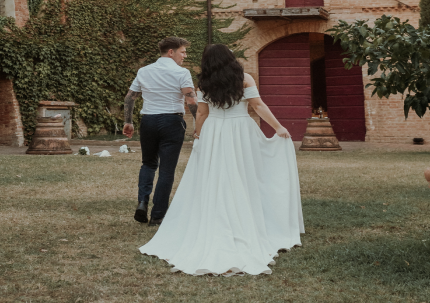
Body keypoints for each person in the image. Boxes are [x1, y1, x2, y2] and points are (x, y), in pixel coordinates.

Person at [138, 44, 304, 276]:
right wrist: (278, 127)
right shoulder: (245, 78)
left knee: (215, 174)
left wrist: (198, 133)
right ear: (230, 58)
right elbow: (257, 106)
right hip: (240, 130)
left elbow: (203, 113)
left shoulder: (204, 83)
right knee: (244, 172)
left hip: (215, 131)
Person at [123, 37, 198, 226]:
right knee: (166, 170)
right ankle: (157, 216)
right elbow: (191, 101)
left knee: (148, 163)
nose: (185, 55)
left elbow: (129, 98)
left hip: (148, 120)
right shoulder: (182, 72)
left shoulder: (144, 71)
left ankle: (142, 202)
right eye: (182, 51)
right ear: (171, 52)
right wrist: (199, 125)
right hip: (172, 121)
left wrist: (128, 122)